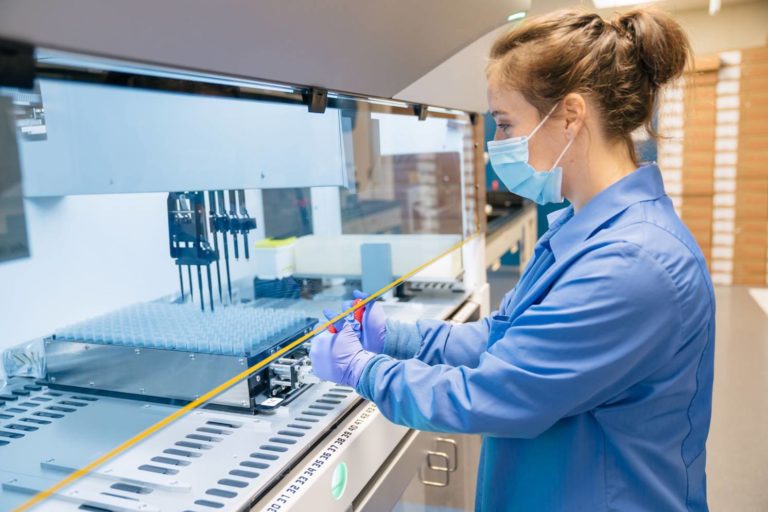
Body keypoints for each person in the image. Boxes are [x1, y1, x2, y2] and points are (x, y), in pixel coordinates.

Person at [310, 7, 715, 511]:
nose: (494, 146)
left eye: (503, 124)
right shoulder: (582, 230)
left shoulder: (633, 263)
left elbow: (490, 393)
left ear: (570, 115)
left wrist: (363, 370)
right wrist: (399, 337)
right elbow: (506, 341)